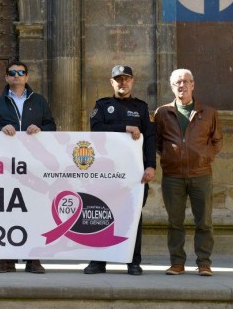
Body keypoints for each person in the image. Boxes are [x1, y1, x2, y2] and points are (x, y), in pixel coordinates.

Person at [0, 59, 56, 274]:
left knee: (35, 209)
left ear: (27, 77)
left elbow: (52, 125)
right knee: (8, 211)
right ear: (6, 77)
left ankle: (34, 259)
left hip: (34, 166)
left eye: (20, 72)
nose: (16, 76)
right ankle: (7, 259)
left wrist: (40, 128)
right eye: (12, 73)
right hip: (7, 167)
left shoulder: (39, 101)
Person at [83, 65, 156, 276]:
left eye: (126, 79)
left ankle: (133, 261)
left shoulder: (141, 108)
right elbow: (95, 130)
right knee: (101, 215)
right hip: (106, 173)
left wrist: (151, 165)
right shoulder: (102, 106)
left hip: (134, 174)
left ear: (132, 82)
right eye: (118, 79)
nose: (122, 83)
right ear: (111, 82)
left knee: (133, 217)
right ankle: (98, 261)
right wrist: (126, 128)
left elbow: (150, 138)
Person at [155, 69, 222, 277]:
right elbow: (157, 141)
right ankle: (177, 263)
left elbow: (217, 140)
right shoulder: (162, 113)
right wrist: (167, 156)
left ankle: (204, 262)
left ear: (193, 84)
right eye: (177, 83)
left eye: (185, 82)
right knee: (175, 222)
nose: (181, 86)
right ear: (172, 87)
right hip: (173, 176)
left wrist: (205, 156)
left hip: (201, 174)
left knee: (204, 221)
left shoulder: (208, 113)